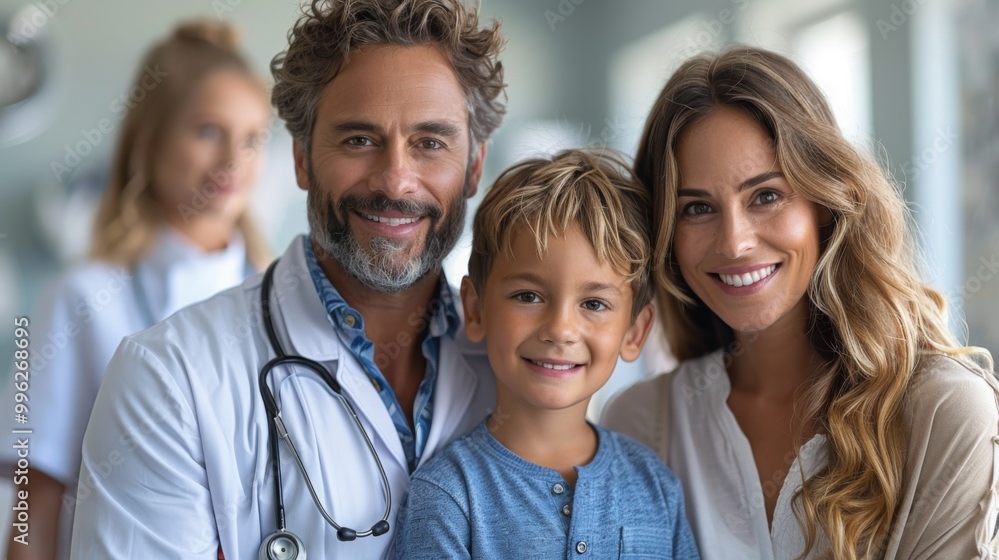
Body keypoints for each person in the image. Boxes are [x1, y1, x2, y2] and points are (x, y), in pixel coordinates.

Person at [69, 0, 507, 558]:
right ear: (301, 158)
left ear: (473, 166)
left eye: (430, 142)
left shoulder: (519, 366)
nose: (396, 181)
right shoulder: (168, 380)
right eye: (358, 139)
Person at [601, 46, 999, 560]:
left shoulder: (942, 413)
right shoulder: (639, 423)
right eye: (697, 208)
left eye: (765, 195)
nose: (735, 242)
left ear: (826, 202)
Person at [0, 20, 271, 560]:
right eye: (208, 131)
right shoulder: (78, 298)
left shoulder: (280, 299)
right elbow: (32, 502)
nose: (232, 161)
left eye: (253, 138)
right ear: (151, 140)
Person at [394, 149, 700, 559]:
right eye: (528, 296)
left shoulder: (658, 488)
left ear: (635, 331)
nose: (560, 329)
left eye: (593, 303)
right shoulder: (448, 494)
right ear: (475, 309)